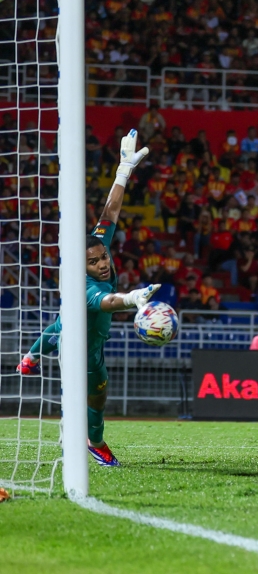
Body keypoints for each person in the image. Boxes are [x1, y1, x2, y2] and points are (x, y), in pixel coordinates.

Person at [18, 130, 158, 467]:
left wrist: (123, 172)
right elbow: (107, 303)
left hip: (77, 328)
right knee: (98, 393)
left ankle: (32, 356)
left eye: (102, 258)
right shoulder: (88, 287)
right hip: (87, 347)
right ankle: (95, 442)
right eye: (93, 262)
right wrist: (133, 298)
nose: (101, 264)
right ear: (81, 265)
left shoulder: (97, 244)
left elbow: (110, 212)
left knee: (59, 327)